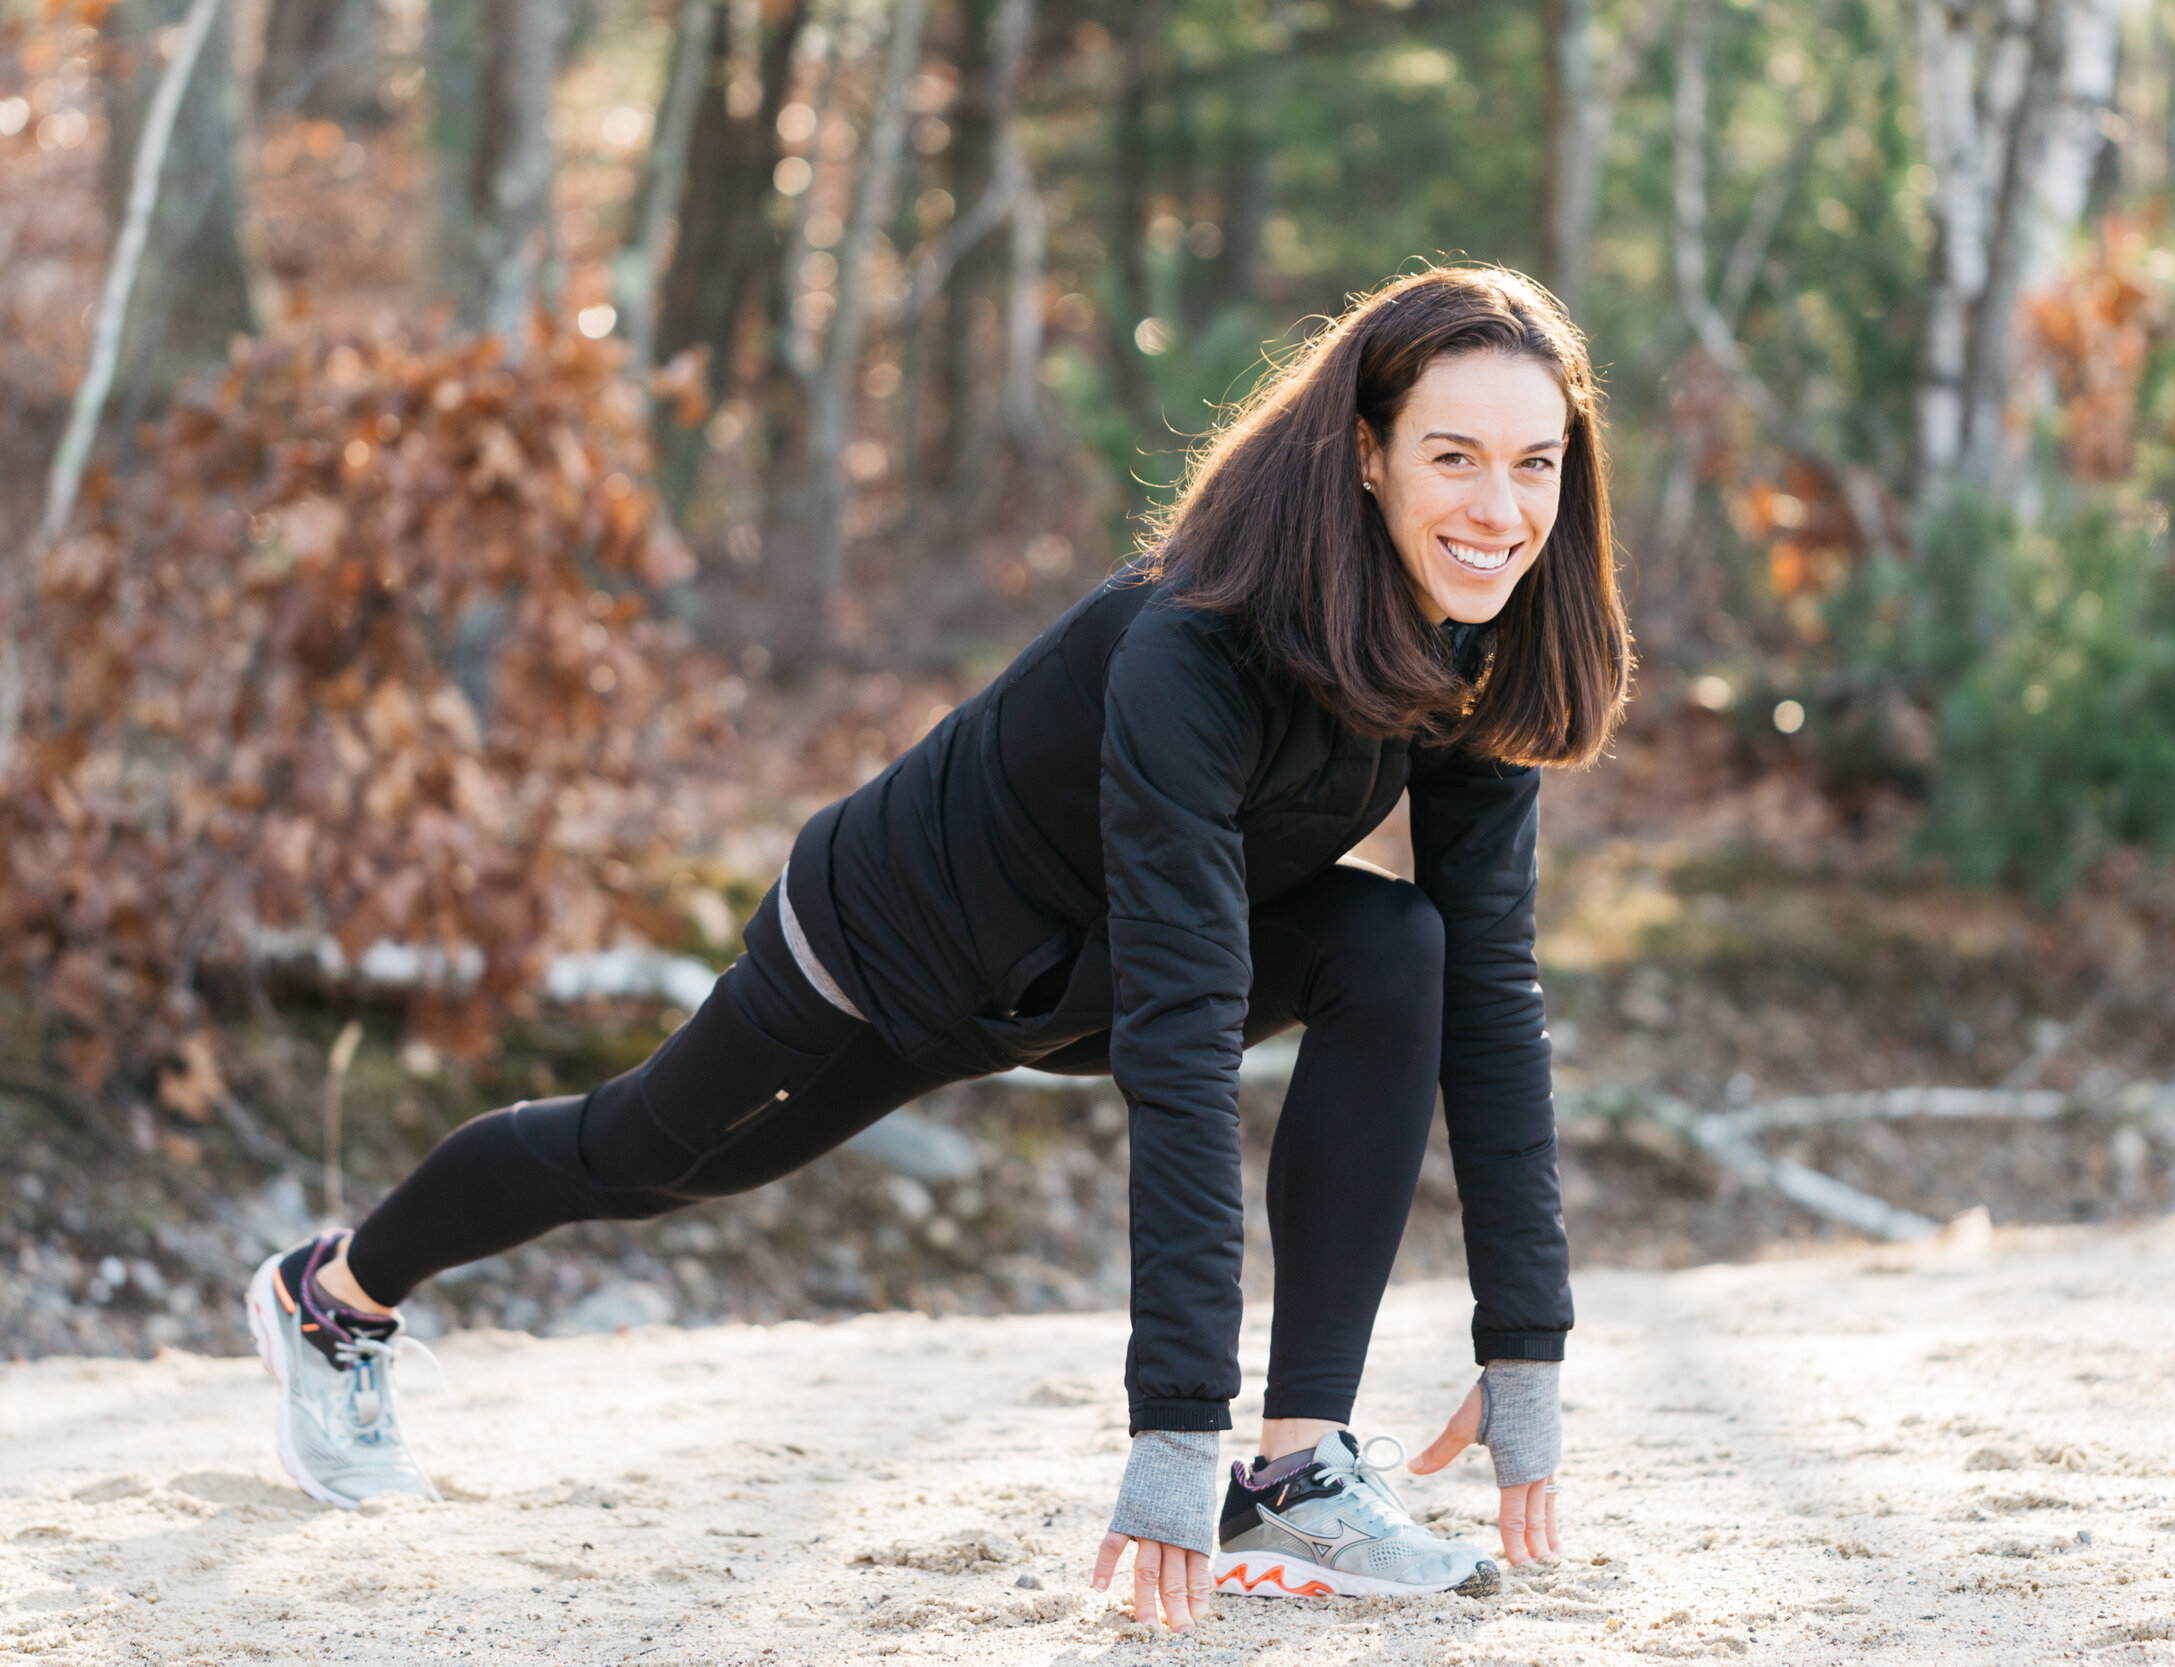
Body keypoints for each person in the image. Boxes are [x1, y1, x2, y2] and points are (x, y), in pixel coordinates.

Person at [242, 265, 1631, 1631]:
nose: (1500, 510)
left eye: (1536, 464)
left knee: (1402, 944)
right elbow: (1186, 1032)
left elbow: (1495, 1000)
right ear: (1369, 457)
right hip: (883, 949)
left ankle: (1294, 1474)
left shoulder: (1473, 657)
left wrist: (1525, 1347)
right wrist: (1169, 1425)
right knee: (643, 1155)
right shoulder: (1194, 646)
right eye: (1456, 457)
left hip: (1083, 978)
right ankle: (333, 1295)